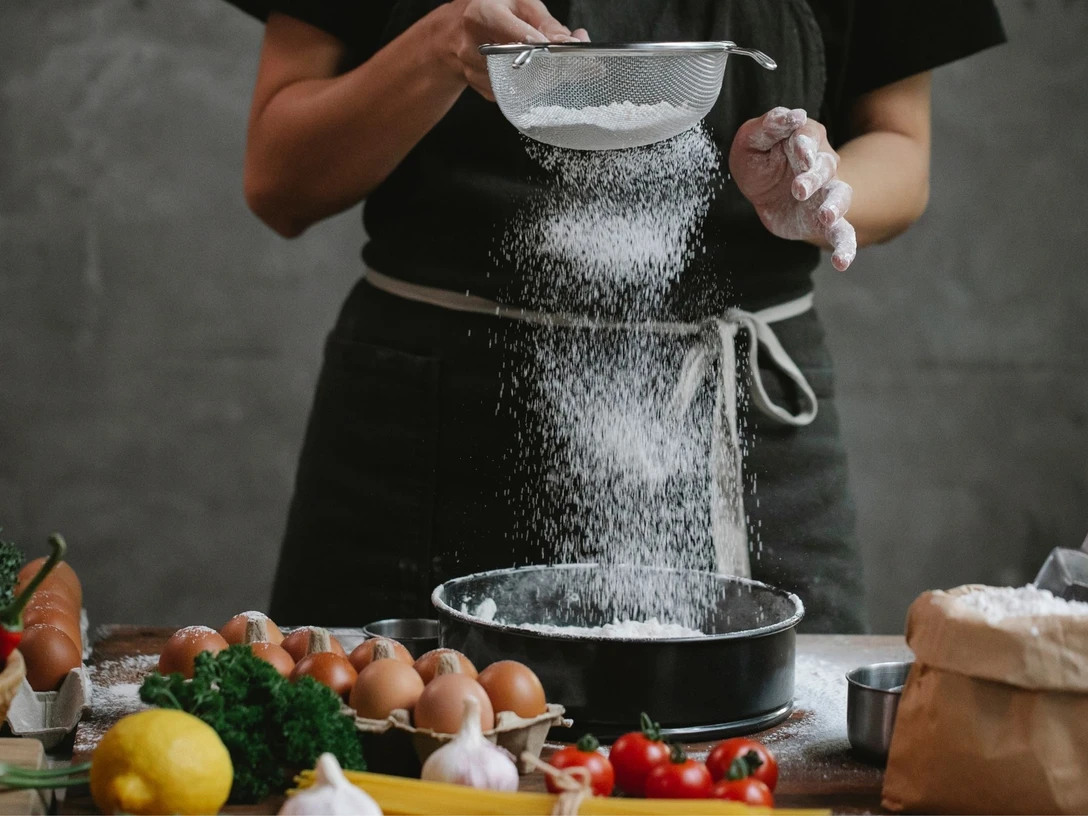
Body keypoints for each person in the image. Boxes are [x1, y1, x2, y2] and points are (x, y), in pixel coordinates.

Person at [224, 0, 1005, 632]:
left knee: (774, 751)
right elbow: (280, 180)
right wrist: (436, 51)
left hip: (742, 428)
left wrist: (814, 191)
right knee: (387, 747)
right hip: (431, 427)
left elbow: (901, 146)